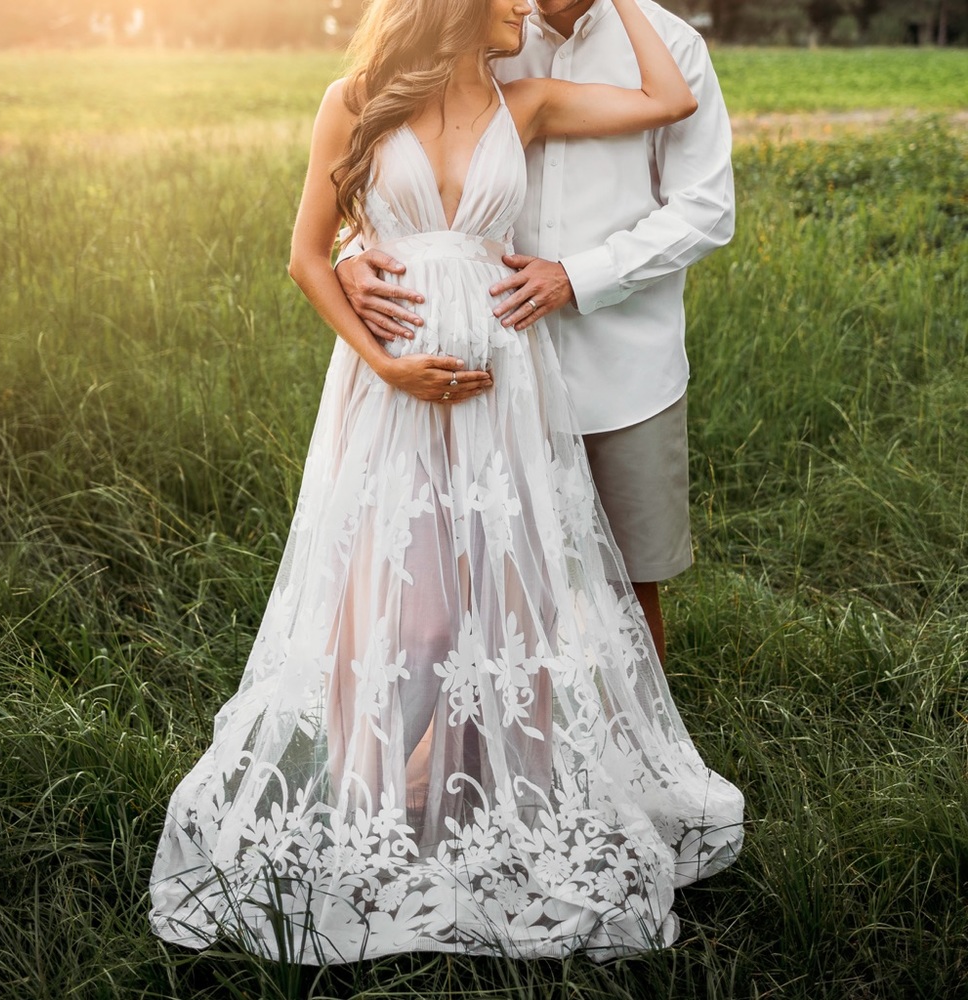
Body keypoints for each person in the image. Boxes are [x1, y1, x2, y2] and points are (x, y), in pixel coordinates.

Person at [149, 0, 742, 965]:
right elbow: (315, 245)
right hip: (402, 396)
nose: (518, 1)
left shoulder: (546, 89)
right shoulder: (366, 98)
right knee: (410, 615)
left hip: (528, 388)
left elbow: (672, 111)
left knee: (534, 610)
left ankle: (507, 795)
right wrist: (377, 339)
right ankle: (368, 820)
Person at [339, 0, 735, 665]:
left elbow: (705, 209)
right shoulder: (486, 29)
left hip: (623, 370)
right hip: (490, 370)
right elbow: (403, 164)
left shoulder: (669, 45)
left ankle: (632, 758)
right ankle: (501, 753)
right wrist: (353, 256)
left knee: (628, 584)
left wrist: (576, 277)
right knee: (488, 580)